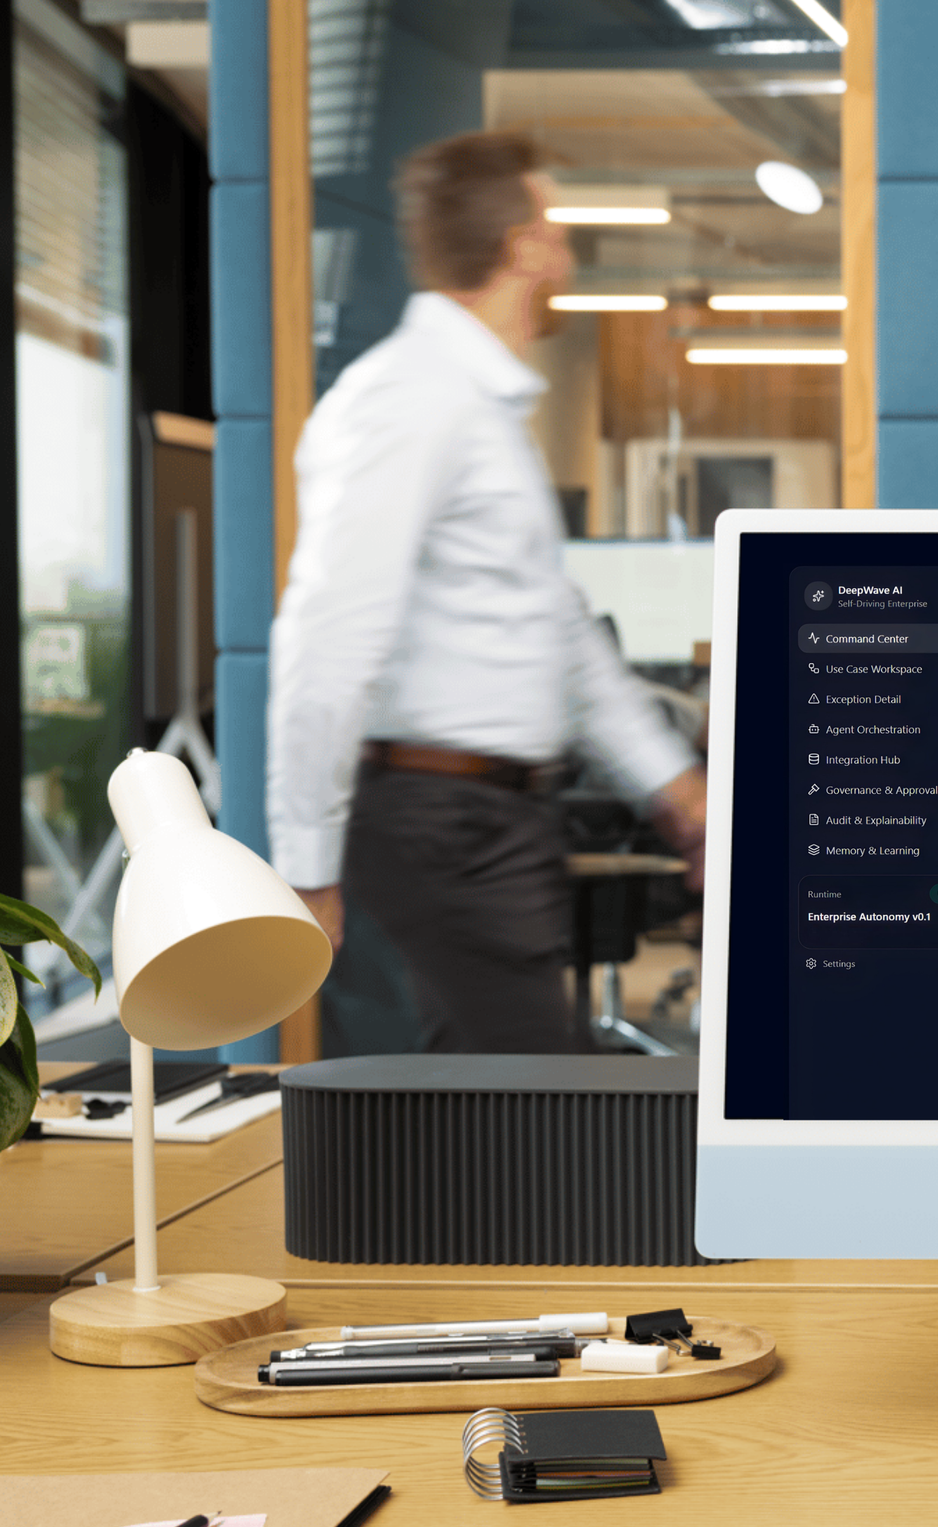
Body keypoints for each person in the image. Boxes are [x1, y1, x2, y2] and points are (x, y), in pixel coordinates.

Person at [268, 129, 705, 1053]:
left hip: (494, 819)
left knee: (489, 1114)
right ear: (522, 247)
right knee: (536, 1109)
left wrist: (675, 789)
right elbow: (329, 635)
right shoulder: (408, 400)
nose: (569, 254)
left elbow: (559, 637)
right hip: (441, 822)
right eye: (558, 227)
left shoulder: (483, 413)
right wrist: (303, 865)